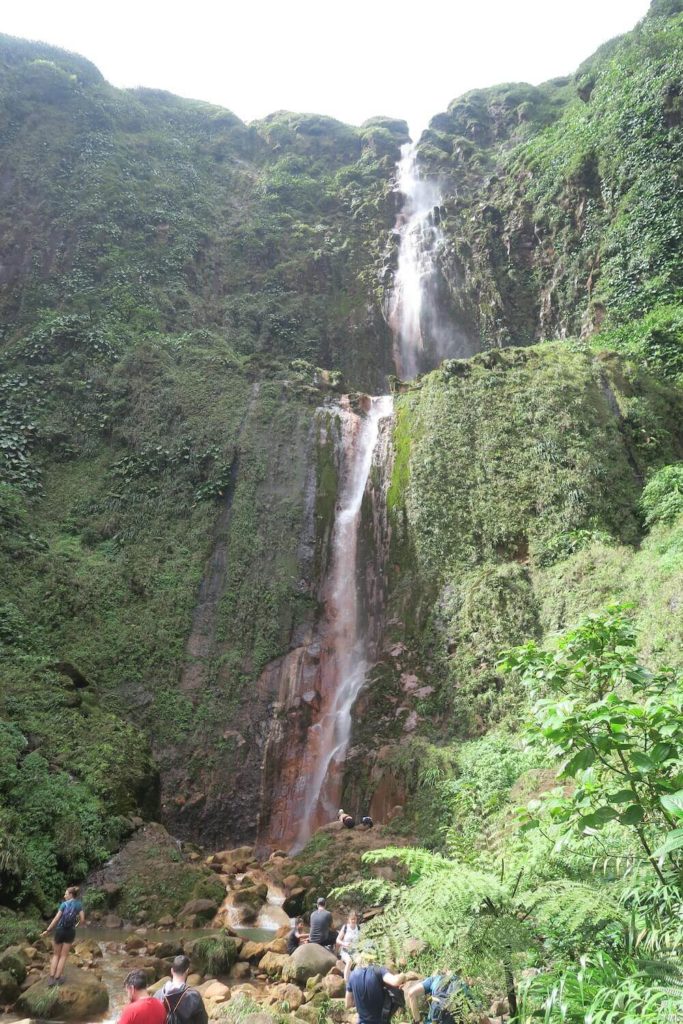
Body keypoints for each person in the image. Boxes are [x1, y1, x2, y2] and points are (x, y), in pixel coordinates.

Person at [345, 951, 406, 1024]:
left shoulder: (352, 975)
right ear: (373, 959)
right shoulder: (378, 970)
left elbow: (348, 1004)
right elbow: (395, 981)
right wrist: (403, 975)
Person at [42, 885, 85, 986]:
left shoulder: (64, 905)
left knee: (56, 955)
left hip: (60, 930)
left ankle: (51, 979)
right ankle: (58, 978)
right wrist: (77, 924)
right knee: (63, 956)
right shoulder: (78, 905)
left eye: (66, 893)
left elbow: (56, 919)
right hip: (70, 932)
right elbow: (83, 919)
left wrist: (48, 930)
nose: (64, 895)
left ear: (70, 894)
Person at [405, 971, 485, 1024]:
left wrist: (417, 1021)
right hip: (453, 1011)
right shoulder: (461, 985)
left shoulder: (434, 979)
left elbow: (411, 993)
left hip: (438, 1011)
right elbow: (479, 1012)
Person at [154, 955, 208, 1024]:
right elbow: (202, 1021)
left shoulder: (158, 995)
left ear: (172, 970)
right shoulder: (194, 996)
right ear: (187, 971)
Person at [336, 910, 360, 981]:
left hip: (355, 951)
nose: (353, 921)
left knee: (360, 961)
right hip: (345, 950)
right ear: (348, 919)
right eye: (352, 919)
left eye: (355, 919)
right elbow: (337, 940)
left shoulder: (358, 928)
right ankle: (346, 982)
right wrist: (344, 943)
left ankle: (357, 981)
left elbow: (361, 940)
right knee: (349, 961)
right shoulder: (345, 927)